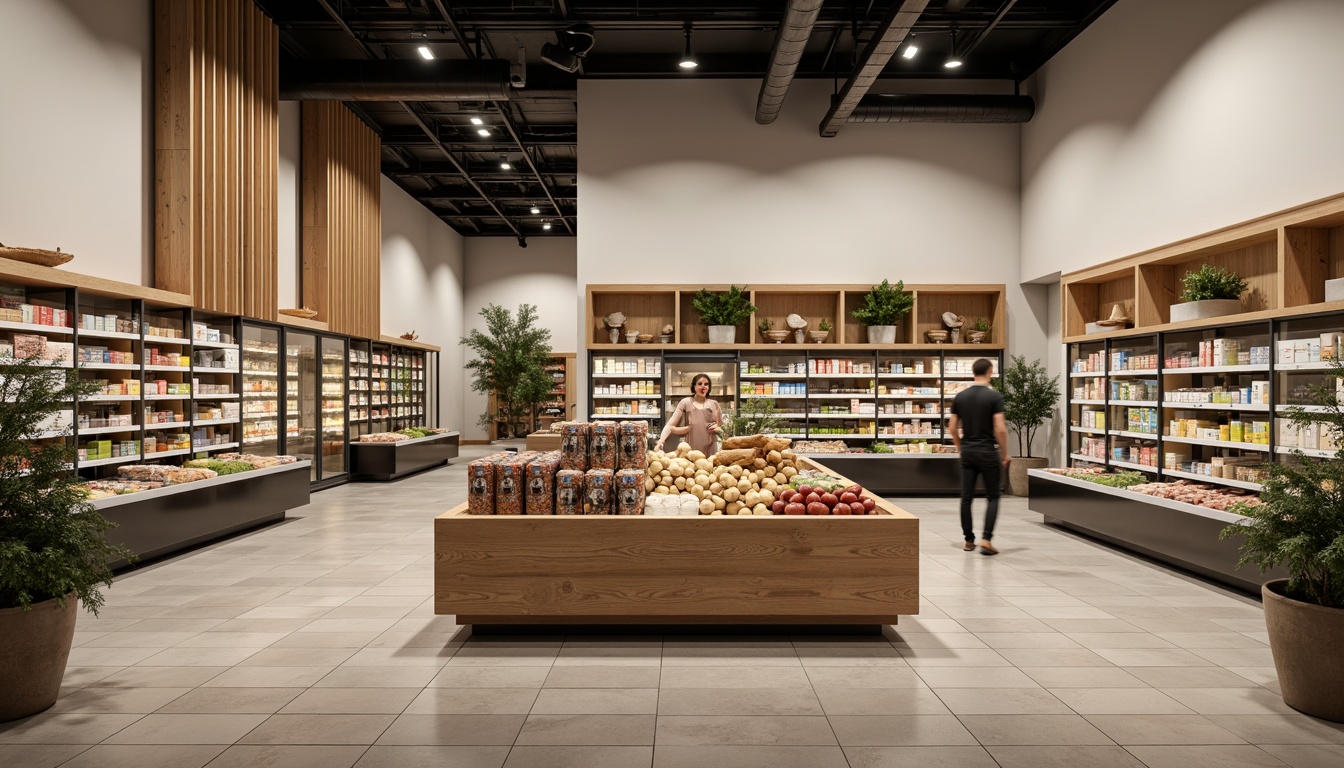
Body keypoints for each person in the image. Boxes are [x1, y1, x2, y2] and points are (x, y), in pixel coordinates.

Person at [947, 358, 1010, 555]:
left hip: (968, 451)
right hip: (987, 451)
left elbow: (952, 427)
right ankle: (986, 539)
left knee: (966, 498)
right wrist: (1005, 453)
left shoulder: (961, 396)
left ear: (973, 372)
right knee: (993, 496)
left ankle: (968, 540)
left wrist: (960, 448)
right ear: (990, 371)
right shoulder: (994, 397)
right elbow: (1000, 429)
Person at [656, 373, 723, 456]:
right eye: (700, 384)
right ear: (694, 386)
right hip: (691, 449)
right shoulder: (686, 402)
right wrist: (661, 441)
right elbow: (670, 425)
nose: (703, 386)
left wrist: (717, 427)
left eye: (706, 384)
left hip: (711, 448)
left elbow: (722, 427)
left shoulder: (714, 404)